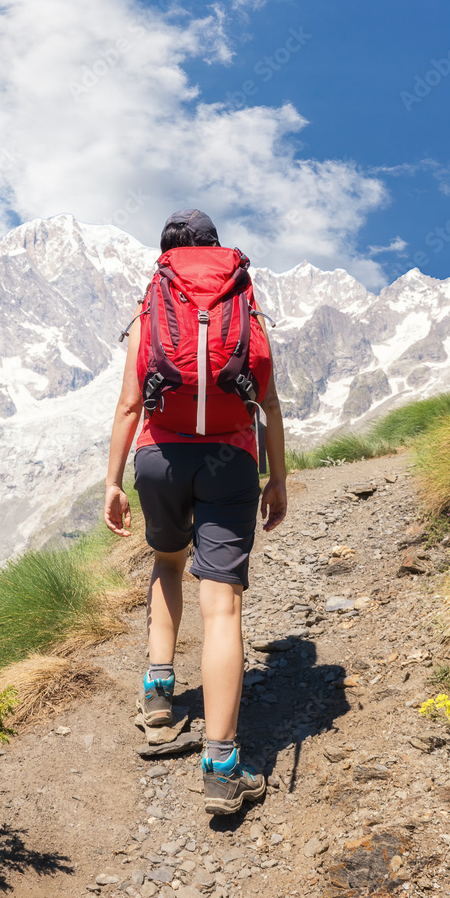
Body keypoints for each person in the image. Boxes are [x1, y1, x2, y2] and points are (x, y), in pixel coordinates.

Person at [104, 209, 288, 816]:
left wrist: (113, 482)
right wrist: (276, 478)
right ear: (215, 249)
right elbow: (268, 404)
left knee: (167, 561)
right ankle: (221, 766)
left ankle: (159, 701)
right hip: (230, 459)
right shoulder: (243, 300)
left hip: (160, 456)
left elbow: (132, 404)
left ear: (166, 254)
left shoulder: (152, 306)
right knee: (223, 605)